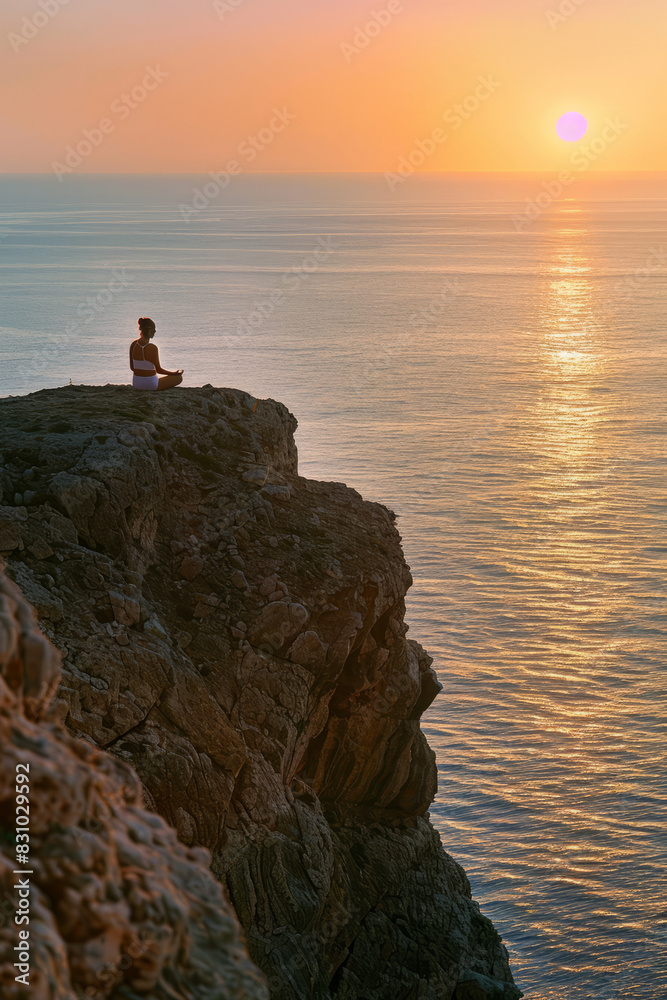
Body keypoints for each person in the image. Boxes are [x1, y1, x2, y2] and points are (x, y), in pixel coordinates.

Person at [129, 318, 184, 390]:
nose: (155, 331)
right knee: (179, 378)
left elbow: (132, 368)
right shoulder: (152, 347)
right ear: (149, 330)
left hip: (136, 384)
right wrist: (174, 373)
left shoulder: (133, 344)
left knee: (156, 377)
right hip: (151, 385)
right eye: (154, 329)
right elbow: (159, 370)